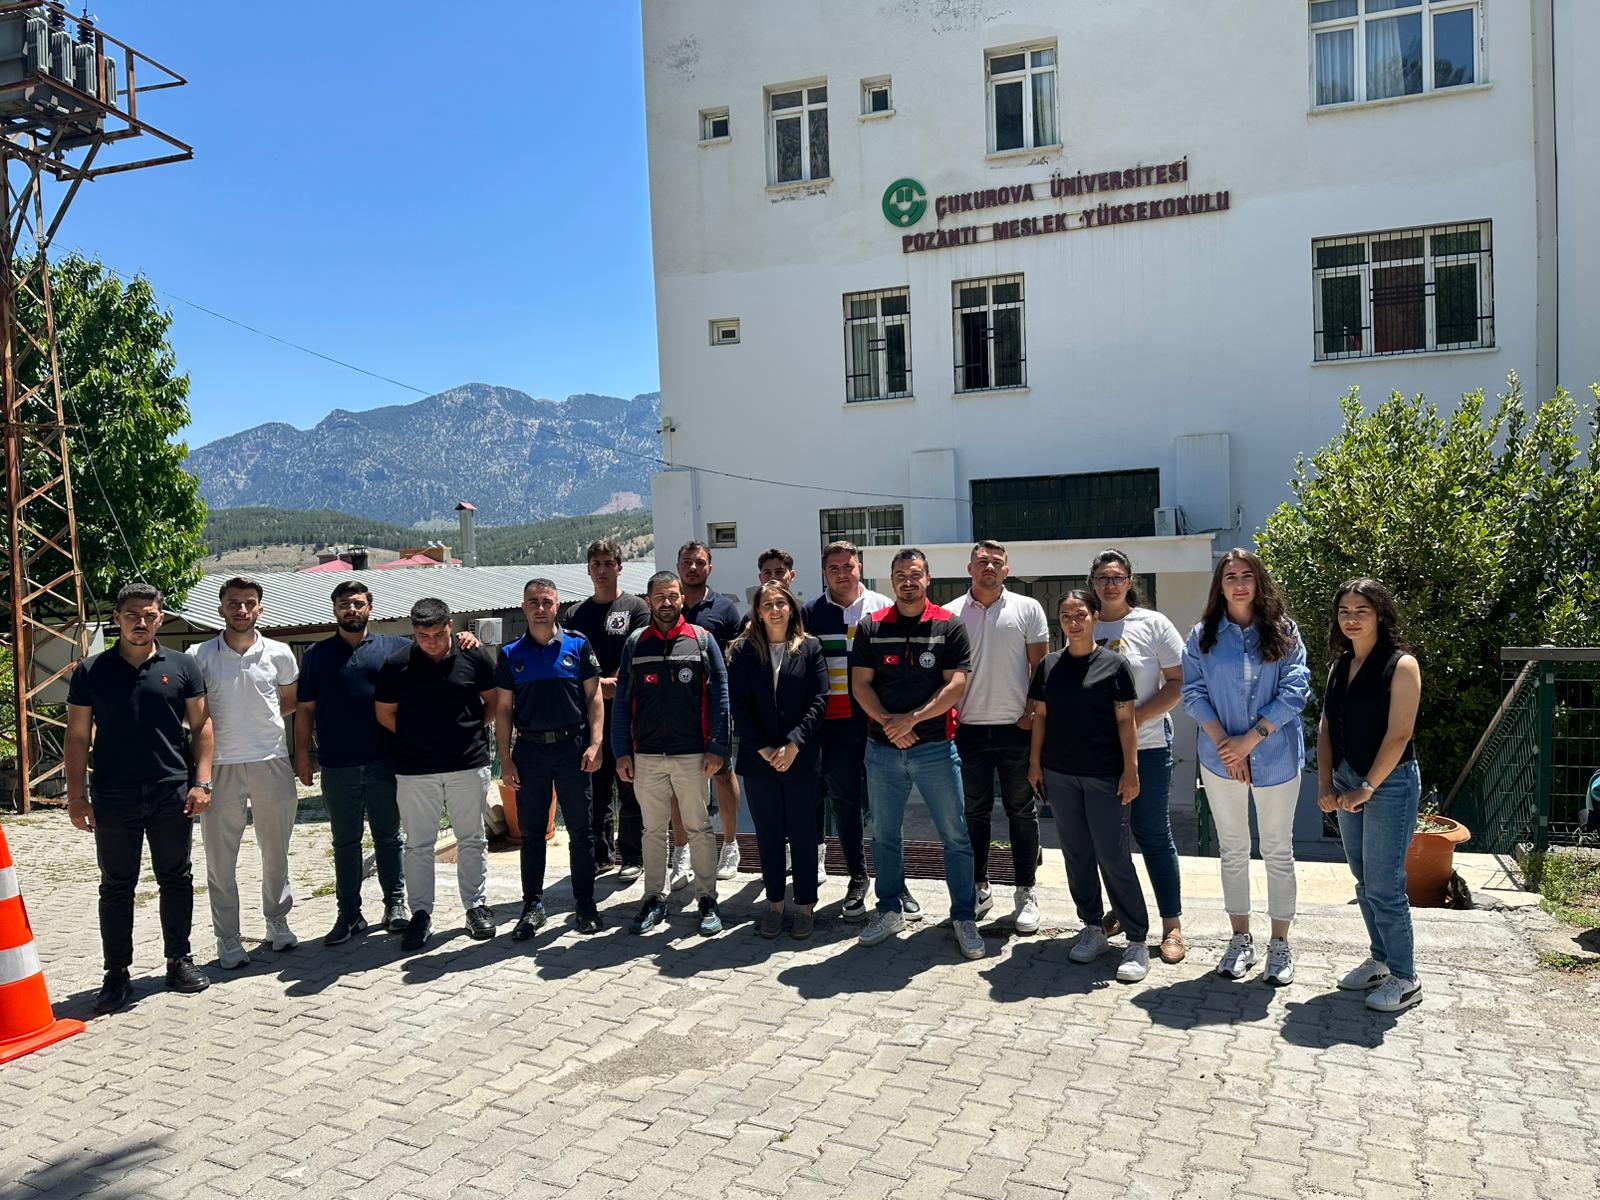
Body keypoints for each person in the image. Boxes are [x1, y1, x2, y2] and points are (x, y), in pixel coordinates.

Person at [64, 581, 213, 1012]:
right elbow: (77, 736)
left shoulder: (182, 665)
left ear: (160, 619)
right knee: (116, 885)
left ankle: (178, 961)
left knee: (176, 877)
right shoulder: (91, 671)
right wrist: (77, 796)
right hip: (113, 794)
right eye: (132, 615)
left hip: (171, 790)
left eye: (149, 615)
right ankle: (117, 973)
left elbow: (202, 726)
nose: (141, 622)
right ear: (117, 619)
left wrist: (202, 783)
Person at [1181, 548, 1311, 985]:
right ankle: (1240, 939)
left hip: (1275, 757)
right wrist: (1227, 747)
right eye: (1230, 576)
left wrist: (1250, 741)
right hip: (1221, 761)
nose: (1239, 584)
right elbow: (1193, 693)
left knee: (1277, 850)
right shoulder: (1202, 635)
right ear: (1220, 586)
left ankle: (1280, 944)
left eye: (1246, 576)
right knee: (1233, 849)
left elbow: (1296, 690)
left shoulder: (1284, 630)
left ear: (1259, 582)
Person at [850, 548, 985, 961]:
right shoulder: (871, 627)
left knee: (955, 836)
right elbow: (860, 684)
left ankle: (964, 916)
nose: (908, 582)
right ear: (891, 580)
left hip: (935, 750)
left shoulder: (950, 625)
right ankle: (890, 910)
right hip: (882, 751)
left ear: (928, 579)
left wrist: (911, 720)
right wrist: (890, 723)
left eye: (915, 575)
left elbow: (956, 685)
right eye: (900, 575)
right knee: (885, 835)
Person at [1028, 590, 1150, 983]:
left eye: (1080, 614)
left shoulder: (1114, 665)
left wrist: (1131, 770)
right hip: (1060, 775)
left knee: (1113, 855)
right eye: (1066, 616)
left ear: (1095, 616)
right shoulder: (1049, 666)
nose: (1073, 622)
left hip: (1104, 776)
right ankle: (1092, 927)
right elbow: (1041, 717)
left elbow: (1126, 721)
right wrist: (1035, 764)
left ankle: (1137, 939)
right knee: (1077, 854)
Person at [1318, 578, 1424, 1013]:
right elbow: (1327, 726)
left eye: (1361, 611)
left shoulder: (1401, 665)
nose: (1352, 619)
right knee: (1365, 881)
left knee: (1385, 886)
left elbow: (1400, 734)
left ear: (1380, 614)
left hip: (1388, 785)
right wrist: (1326, 784)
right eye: (1344, 611)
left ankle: (1406, 977)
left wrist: (1368, 787)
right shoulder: (1340, 666)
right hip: (1348, 782)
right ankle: (1381, 961)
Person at [188, 577, 301, 970]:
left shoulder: (280, 653)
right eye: (233, 603)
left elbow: (289, 702)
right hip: (219, 765)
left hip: (271, 760)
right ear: (221, 608)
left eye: (249, 603)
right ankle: (228, 939)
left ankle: (277, 922)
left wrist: (259, 726)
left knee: (276, 850)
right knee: (221, 859)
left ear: (260, 609)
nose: (241, 610)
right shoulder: (198, 655)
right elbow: (192, 713)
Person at [374, 598, 499, 951]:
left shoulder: (474, 655)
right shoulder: (396, 664)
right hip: (415, 771)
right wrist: (418, 739)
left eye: (437, 635)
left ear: (450, 626)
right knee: (418, 845)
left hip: (468, 766)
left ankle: (475, 907)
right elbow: (385, 714)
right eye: (422, 636)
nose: (430, 642)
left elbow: (493, 702)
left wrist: (468, 732)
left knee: (472, 838)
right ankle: (421, 914)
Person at [613, 570, 731, 936]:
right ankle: (653, 897)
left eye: (673, 596)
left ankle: (707, 898)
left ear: (682, 598)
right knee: (652, 830)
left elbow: (722, 696)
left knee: (699, 827)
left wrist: (718, 747)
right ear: (648, 601)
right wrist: (621, 751)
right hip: (647, 756)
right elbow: (622, 702)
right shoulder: (635, 643)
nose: (667, 602)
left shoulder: (702, 640)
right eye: (660, 596)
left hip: (693, 754)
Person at [294, 581, 410, 944]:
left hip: (385, 762)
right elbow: (305, 709)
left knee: (389, 837)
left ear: (370, 608)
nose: (351, 609)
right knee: (345, 842)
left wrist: (466, 639)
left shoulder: (396, 648)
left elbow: (437, 648)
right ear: (334, 610)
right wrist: (302, 755)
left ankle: (395, 904)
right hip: (337, 765)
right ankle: (349, 914)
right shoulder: (316, 655)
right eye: (344, 604)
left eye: (358, 603)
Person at [1088, 549, 1189, 963]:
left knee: (1151, 833)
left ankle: (1172, 925)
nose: (1110, 584)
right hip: (1097, 751)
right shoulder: (1086, 623)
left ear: (1130, 581)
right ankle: (1124, 912)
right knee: (1109, 839)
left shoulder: (1153, 624)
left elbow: (1178, 681)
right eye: (1102, 578)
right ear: (1093, 583)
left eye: (1117, 577)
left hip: (1147, 746)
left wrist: (1136, 719)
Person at [947, 540, 1049, 933]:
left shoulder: (1028, 608)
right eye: (981, 561)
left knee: (1021, 812)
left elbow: (1040, 669)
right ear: (969, 568)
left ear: (1006, 569)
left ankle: (1025, 891)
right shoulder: (951, 613)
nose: (988, 567)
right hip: (967, 729)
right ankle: (979, 887)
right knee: (973, 813)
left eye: (996, 562)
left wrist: (1031, 714)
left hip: (1016, 728)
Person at [496, 578, 606, 937]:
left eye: (547, 601)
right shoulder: (511, 654)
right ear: (523, 607)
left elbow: (594, 698)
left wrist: (596, 743)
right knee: (531, 834)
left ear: (557, 606)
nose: (540, 608)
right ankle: (532, 906)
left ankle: (585, 905)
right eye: (533, 602)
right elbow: (503, 710)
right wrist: (505, 760)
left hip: (572, 749)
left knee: (581, 832)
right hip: (530, 753)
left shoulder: (577, 644)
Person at [801, 540, 897, 921]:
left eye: (849, 566)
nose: (842, 573)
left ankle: (897, 884)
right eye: (834, 568)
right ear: (824, 573)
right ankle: (858, 876)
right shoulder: (809, 613)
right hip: (833, 723)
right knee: (844, 802)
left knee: (888, 804)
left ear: (860, 567)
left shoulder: (883, 608)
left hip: (879, 721)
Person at [727, 581, 829, 939]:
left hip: (801, 757)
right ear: (757, 612)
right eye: (767, 604)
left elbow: (820, 700)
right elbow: (738, 705)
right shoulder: (743, 651)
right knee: (768, 834)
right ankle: (773, 905)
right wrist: (763, 749)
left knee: (803, 834)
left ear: (791, 609)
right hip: (759, 761)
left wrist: (793, 745)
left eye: (780, 603)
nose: (774, 610)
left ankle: (804, 906)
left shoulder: (811, 647)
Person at [559, 540, 651, 881]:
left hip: (629, 715)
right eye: (595, 564)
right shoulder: (574, 614)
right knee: (595, 789)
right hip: (588, 717)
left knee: (630, 786)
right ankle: (601, 855)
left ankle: (633, 855)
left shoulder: (636, 608)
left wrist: (614, 683)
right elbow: (568, 659)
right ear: (588, 569)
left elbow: (639, 653)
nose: (602, 570)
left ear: (619, 567)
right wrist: (597, 686)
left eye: (608, 563)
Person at [677, 539, 744, 882]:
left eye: (700, 562)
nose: (693, 568)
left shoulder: (726, 609)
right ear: (678, 566)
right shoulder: (668, 606)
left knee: (722, 773)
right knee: (678, 781)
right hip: (675, 709)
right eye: (687, 562)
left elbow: (736, 661)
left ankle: (730, 845)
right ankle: (682, 851)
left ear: (710, 568)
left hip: (715, 706)